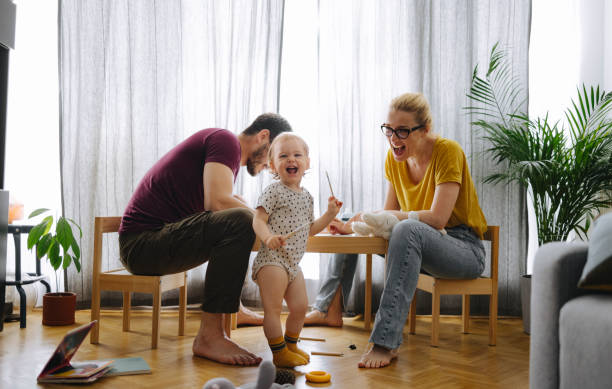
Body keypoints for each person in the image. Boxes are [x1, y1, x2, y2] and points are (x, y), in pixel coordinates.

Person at [304, 92, 488, 368]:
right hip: (416, 243)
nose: (393, 138)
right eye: (389, 130)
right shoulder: (394, 159)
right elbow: (387, 216)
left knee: (406, 229)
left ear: (425, 130)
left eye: (402, 131)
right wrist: (353, 225)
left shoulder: (448, 152)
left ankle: (385, 342)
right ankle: (326, 308)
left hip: (462, 248)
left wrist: (383, 217)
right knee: (349, 217)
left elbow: (437, 219)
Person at [118, 113, 292, 366]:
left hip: (151, 242)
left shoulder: (224, 156)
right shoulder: (225, 141)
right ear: (263, 136)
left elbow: (218, 213)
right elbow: (218, 202)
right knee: (241, 221)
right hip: (143, 244)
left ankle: (235, 309)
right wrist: (264, 223)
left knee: (240, 221)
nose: (271, 166)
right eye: (273, 155)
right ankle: (210, 336)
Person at [251, 133, 342, 368]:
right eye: (283, 156)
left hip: (293, 263)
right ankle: (279, 353)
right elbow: (258, 220)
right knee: (272, 310)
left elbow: (309, 229)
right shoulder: (274, 191)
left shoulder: (308, 197)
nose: (291, 159)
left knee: (301, 307)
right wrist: (268, 237)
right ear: (273, 165)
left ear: (307, 163)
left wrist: (329, 215)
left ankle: (291, 345)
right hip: (272, 259)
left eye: (297, 155)